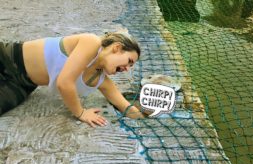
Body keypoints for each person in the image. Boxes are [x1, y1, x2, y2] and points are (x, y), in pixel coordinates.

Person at [0, 31, 145, 127]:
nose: (127, 69)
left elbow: (124, 106)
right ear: (117, 48)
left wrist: (150, 117)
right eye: (129, 61)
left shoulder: (101, 80)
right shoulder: (92, 42)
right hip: (8, 57)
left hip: (23, 84)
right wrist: (81, 112)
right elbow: (64, 82)